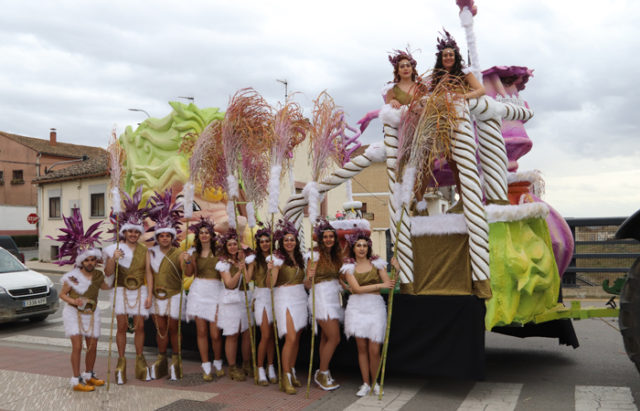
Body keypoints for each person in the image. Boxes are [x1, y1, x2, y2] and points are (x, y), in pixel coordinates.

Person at [52, 208, 112, 392]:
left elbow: (107, 286)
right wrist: (74, 302)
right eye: (87, 260)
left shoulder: (98, 275)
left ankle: (89, 374)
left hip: (91, 313)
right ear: (81, 261)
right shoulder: (73, 276)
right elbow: (62, 294)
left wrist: (113, 263)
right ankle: (76, 379)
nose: (91, 263)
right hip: (73, 314)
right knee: (77, 346)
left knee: (92, 346)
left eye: (94, 260)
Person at [103, 186, 152, 384]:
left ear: (139, 233)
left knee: (140, 327)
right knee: (122, 326)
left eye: (135, 232)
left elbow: (149, 272)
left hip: (140, 291)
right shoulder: (115, 249)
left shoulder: (145, 250)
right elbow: (107, 273)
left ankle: (140, 361)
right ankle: (121, 362)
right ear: (124, 232)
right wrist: (112, 259)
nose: (132, 234)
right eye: (129, 231)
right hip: (121, 290)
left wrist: (149, 295)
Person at [341, 230, 396, 397]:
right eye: (359, 245)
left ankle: (375, 383)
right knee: (362, 348)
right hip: (357, 308)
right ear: (353, 248)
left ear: (369, 247)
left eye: (365, 245)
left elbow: (389, 282)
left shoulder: (377, 264)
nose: (362, 248)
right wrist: (379, 286)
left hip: (375, 308)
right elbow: (356, 289)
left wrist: (397, 269)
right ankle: (365, 383)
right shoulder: (348, 267)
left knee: (374, 349)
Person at [146, 190, 189, 380]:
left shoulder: (179, 253)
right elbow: (149, 274)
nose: (164, 238)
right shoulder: (151, 253)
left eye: (167, 236)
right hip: (157, 295)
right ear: (157, 237)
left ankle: (176, 359)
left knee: (174, 329)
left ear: (172, 237)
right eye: (161, 235)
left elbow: (187, 273)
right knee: (160, 329)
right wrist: (148, 296)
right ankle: (161, 358)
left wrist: (188, 261)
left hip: (174, 295)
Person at [269, 219, 308, 395]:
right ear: (281, 242)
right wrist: (271, 269)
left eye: (292, 239)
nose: (289, 242)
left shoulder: (300, 259)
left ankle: (291, 371)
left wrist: (311, 276)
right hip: (284, 297)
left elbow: (306, 284)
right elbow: (271, 283)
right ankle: (284, 376)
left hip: (300, 297)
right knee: (290, 338)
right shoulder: (277, 259)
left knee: (297, 339)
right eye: (286, 240)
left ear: (296, 241)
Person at [184, 217, 225, 381]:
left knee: (215, 333)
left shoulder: (220, 251)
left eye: (207, 232)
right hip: (199, 291)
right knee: (201, 332)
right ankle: (206, 365)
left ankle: (218, 361)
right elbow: (188, 273)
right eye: (201, 233)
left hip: (215, 291)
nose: (204, 235)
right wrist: (187, 261)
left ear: (211, 234)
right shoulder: (194, 252)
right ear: (198, 236)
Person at [306, 219, 345, 391]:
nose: (328, 239)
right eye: (325, 237)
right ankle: (322, 372)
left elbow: (341, 279)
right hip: (320, 297)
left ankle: (322, 371)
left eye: (331, 236)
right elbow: (307, 284)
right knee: (334, 337)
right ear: (320, 240)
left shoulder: (338, 256)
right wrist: (309, 275)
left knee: (326, 337)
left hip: (334, 297)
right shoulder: (313, 256)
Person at [216, 229, 252, 382]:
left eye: (235, 245)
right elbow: (230, 284)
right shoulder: (222, 264)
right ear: (226, 247)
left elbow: (248, 280)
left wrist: (248, 265)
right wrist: (239, 271)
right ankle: (232, 367)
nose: (232, 247)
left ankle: (246, 363)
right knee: (232, 334)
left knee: (246, 334)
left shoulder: (241, 261)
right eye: (229, 245)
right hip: (231, 301)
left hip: (244, 299)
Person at [247, 226, 278, 386]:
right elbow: (247, 279)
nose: (265, 244)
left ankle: (270, 366)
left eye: (267, 241)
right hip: (261, 297)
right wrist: (241, 265)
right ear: (258, 244)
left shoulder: (276, 258)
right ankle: (259, 368)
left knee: (272, 336)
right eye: (262, 242)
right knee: (265, 335)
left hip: (276, 297)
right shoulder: (254, 260)